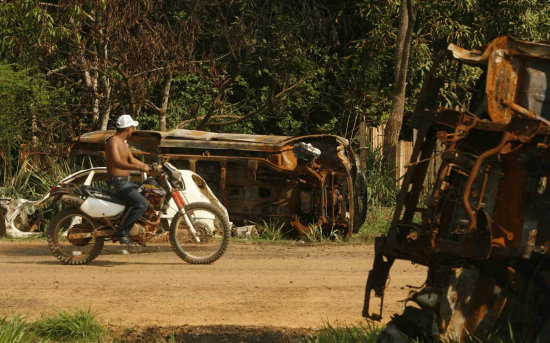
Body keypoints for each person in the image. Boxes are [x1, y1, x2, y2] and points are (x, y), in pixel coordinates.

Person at [104, 114, 150, 245]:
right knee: (142, 204)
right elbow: (118, 162)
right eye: (132, 128)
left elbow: (131, 159)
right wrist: (137, 167)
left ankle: (135, 233)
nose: (133, 130)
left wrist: (145, 166)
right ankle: (122, 232)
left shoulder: (123, 143)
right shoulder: (113, 141)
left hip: (126, 182)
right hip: (117, 183)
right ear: (128, 128)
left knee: (146, 195)